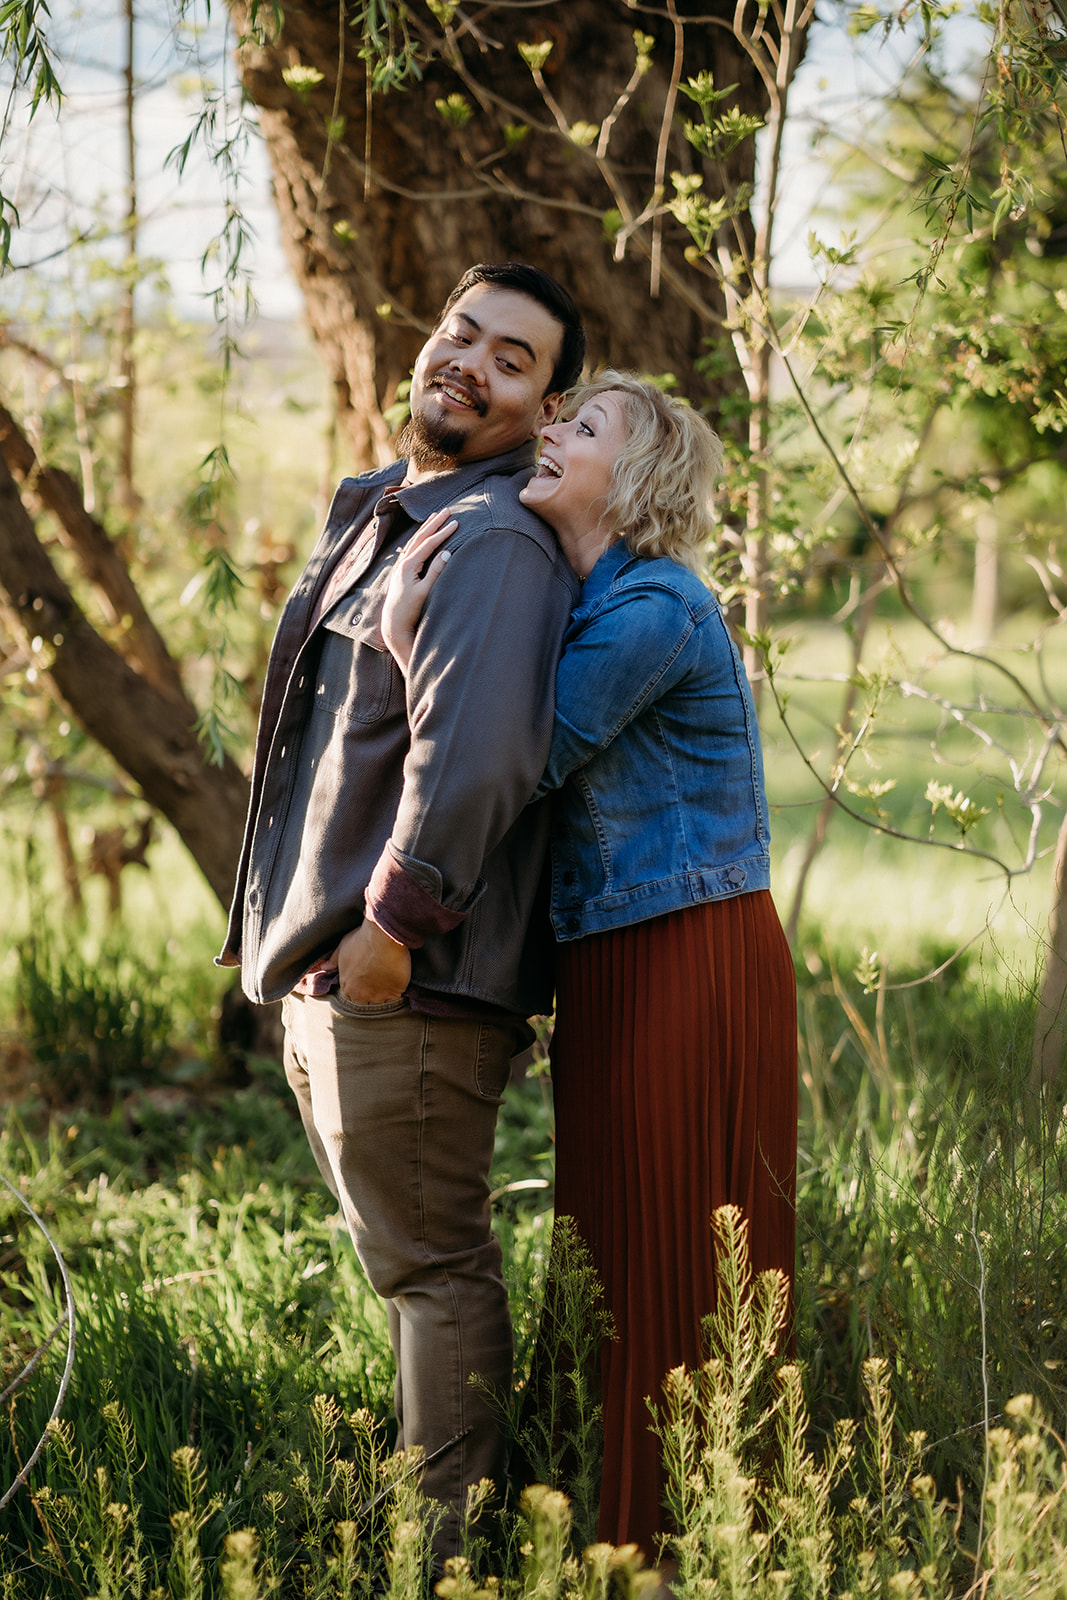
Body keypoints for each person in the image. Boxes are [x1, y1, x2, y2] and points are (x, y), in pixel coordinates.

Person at [382, 372, 798, 1560]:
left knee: (672, 1235)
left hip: (687, 952)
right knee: (613, 1233)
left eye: (584, 426)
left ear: (639, 479)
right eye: (559, 417)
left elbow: (515, 758)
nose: (551, 431)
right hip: (619, 958)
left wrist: (411, 648)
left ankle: (661, 1549)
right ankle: (619, 1523)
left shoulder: (654, 611)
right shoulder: (588, 601)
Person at [217, 263, 587, 1561]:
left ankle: (449, 1562)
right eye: (460, 332)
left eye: (511, 359)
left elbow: (475, 762)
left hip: (406, 980)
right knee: (410, 1273)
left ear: (547, 411)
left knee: (433, 1275)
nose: (468, 363)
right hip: (337, 973)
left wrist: (384, 939)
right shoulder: (392, 512)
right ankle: (441, 1532)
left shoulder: (488, 541)